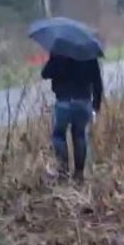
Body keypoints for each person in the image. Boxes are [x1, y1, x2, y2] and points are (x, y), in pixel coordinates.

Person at [41, 52, 104, 181]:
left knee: (58, 136)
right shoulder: (88, 53)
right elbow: (97, 82)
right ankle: (79, 173)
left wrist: (55, 61)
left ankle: (63, 171)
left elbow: (45, 73)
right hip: (83, 102)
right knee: (80, 135)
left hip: (63, 101)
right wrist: (96, 106)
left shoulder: (59, 51)